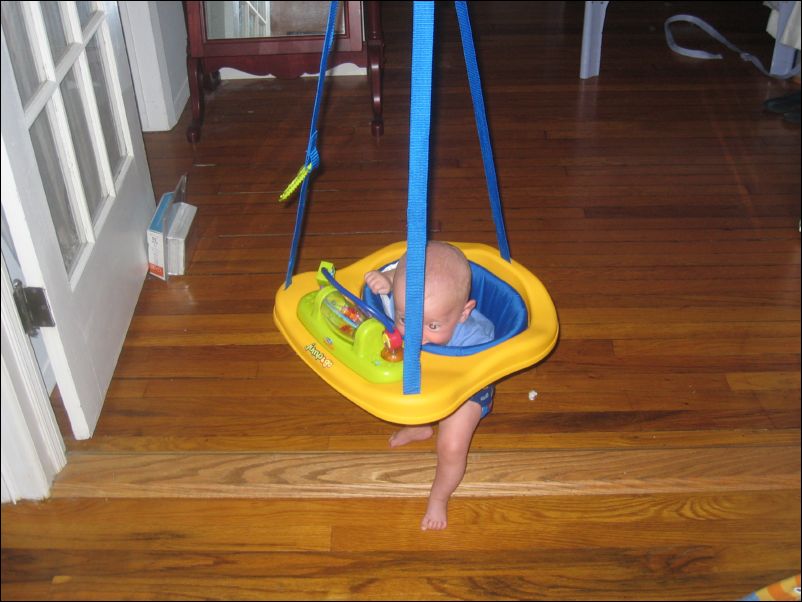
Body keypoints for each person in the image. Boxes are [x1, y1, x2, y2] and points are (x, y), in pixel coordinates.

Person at [364, 241, 495, 531]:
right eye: (404, 318)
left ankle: (439, 496)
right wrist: (385, 280)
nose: (416, 334)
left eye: (432, 326)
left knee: (451, 445)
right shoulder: (414, 307)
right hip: (426, 377)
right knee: (406, 395)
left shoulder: (478, 335)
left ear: (463, 313)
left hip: (467, 391)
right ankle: (420, 426)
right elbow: (395, 287)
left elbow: (488, 365)